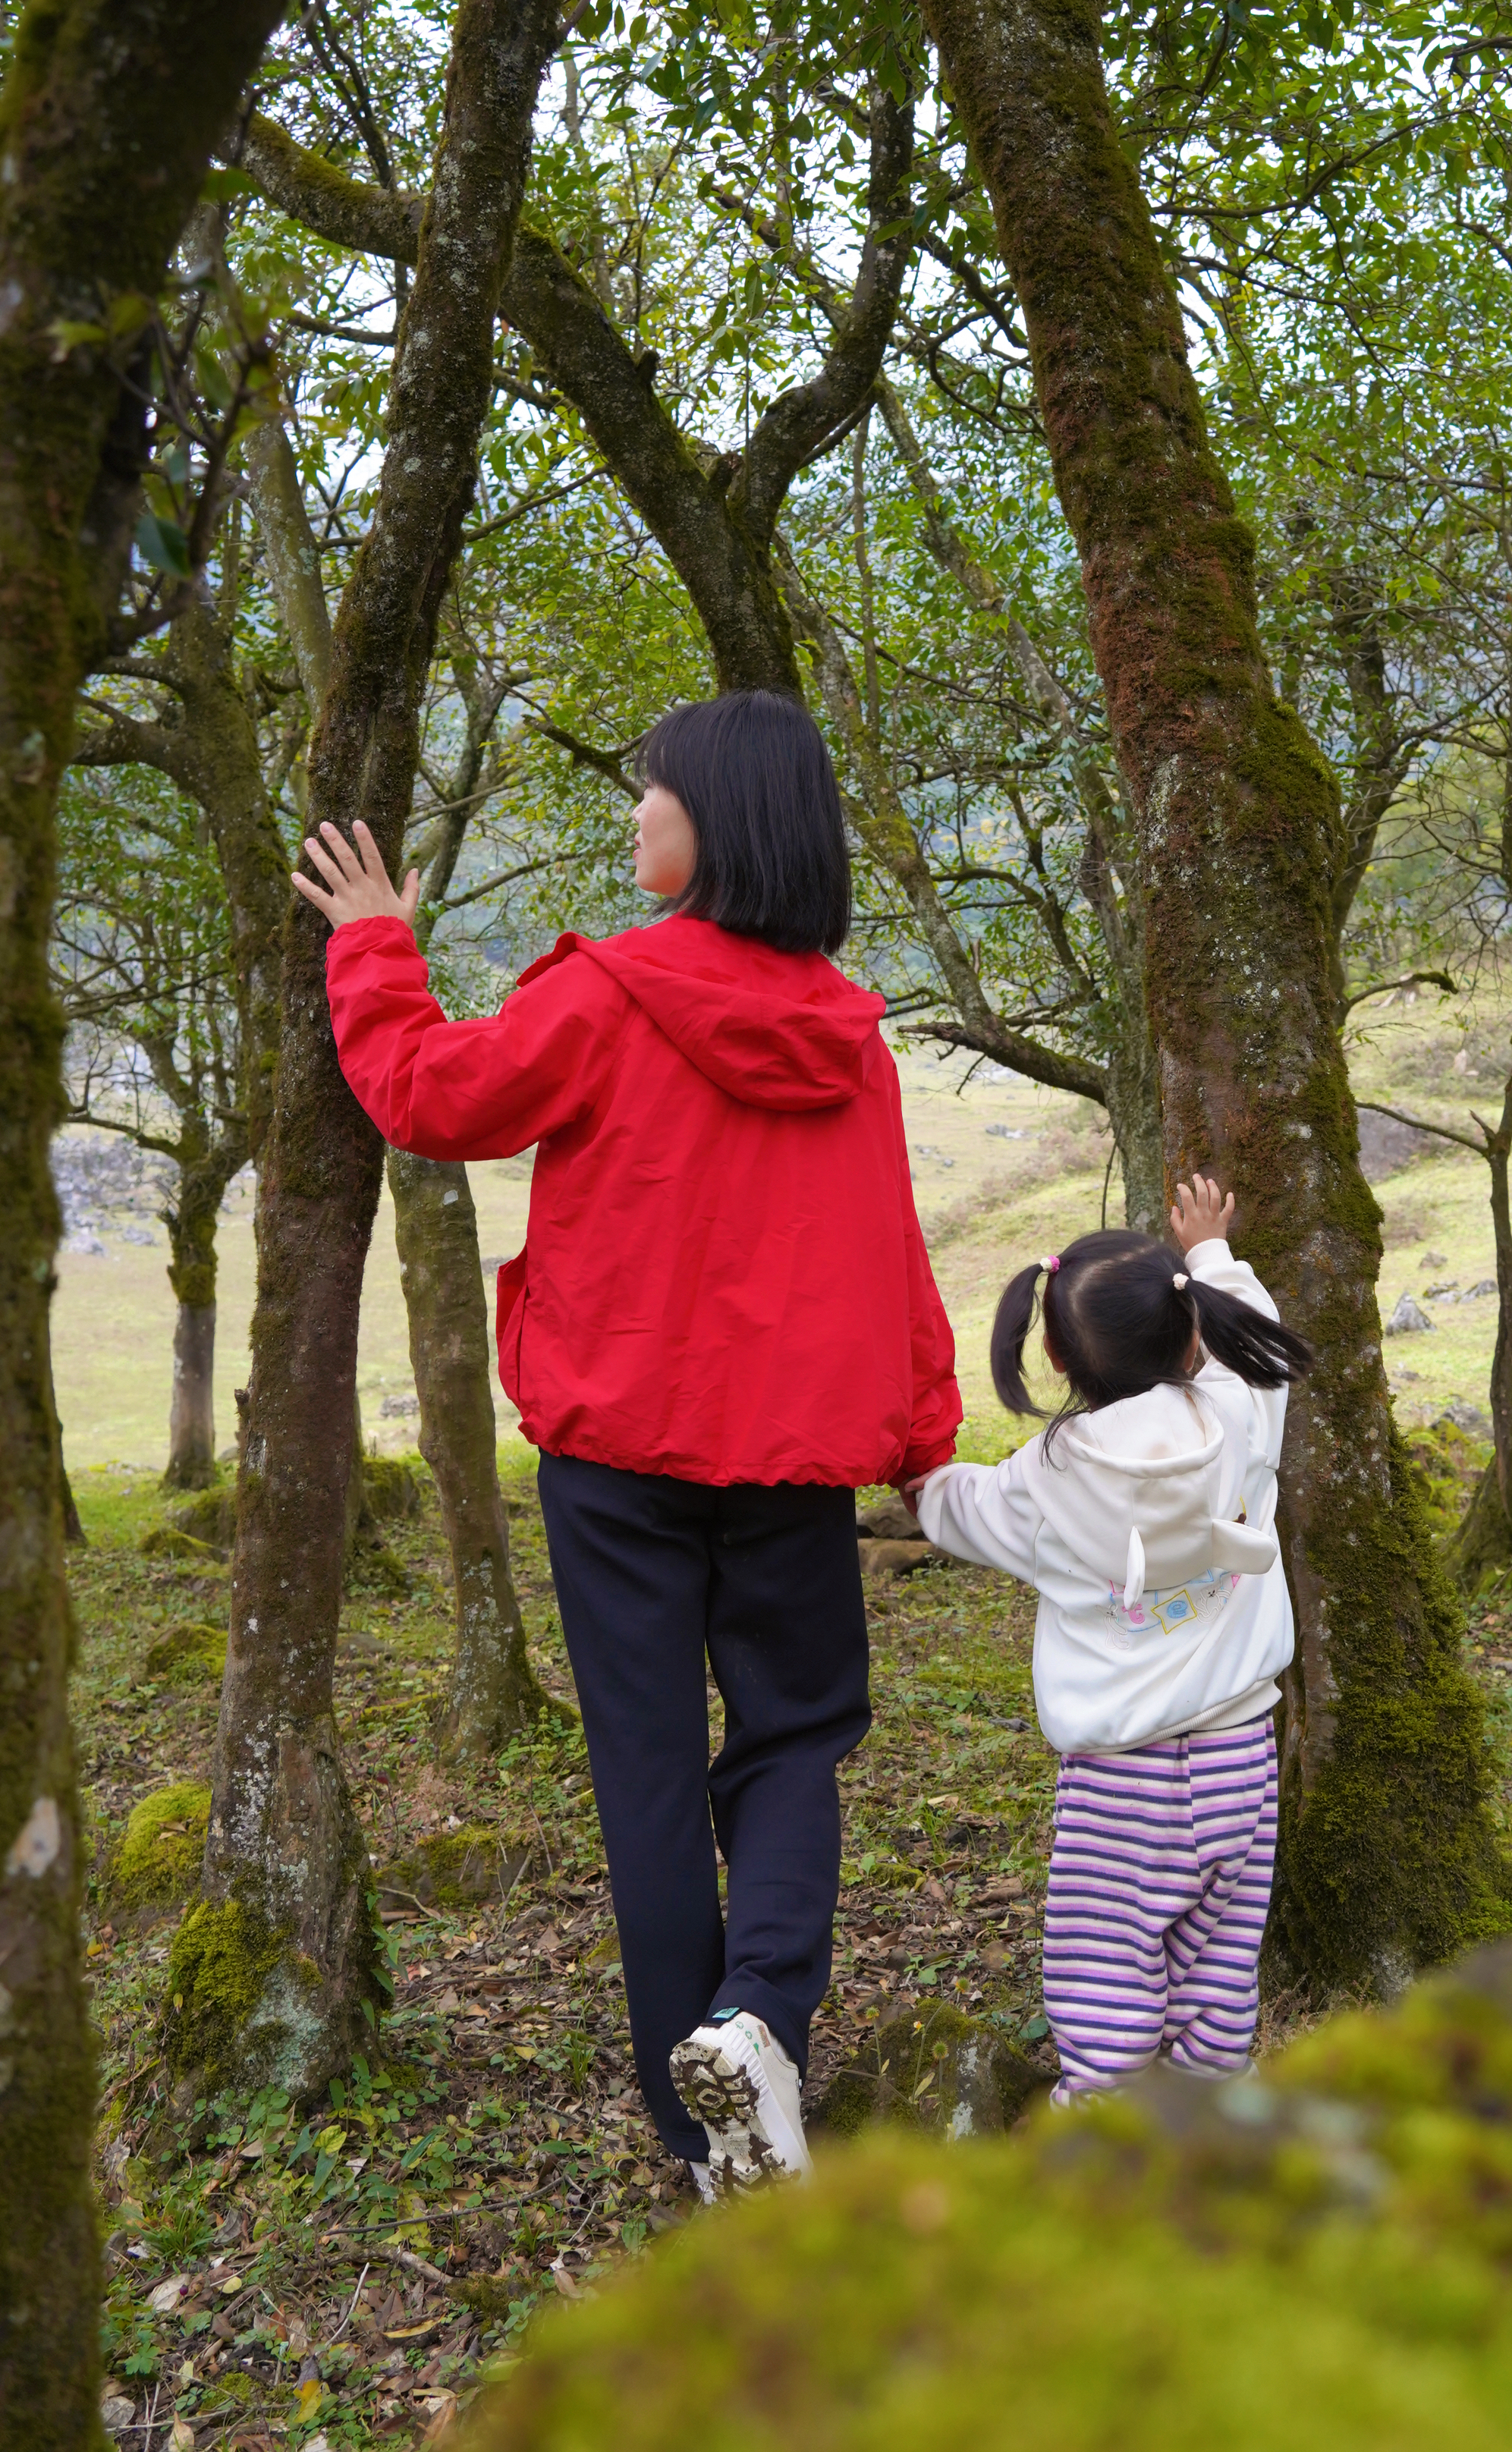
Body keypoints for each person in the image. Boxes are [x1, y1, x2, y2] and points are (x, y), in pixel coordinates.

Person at [294, 690, 960, 2196]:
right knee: (795, 1743)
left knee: (650, 1771)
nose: (633, 815)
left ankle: (697, 2121)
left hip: (617, 1458)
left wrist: (372, 937)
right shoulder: (852, 1036)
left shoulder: (607, 992)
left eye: (648, 792)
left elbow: (431, 1094)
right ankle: (761, 2019)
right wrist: (921, 1435)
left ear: (710, 818)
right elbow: (889, 1252)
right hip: (793, 1464)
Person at [910, 1177, 1311, 2100]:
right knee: (1217, 1967)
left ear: (1054, 1355)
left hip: (1119, 1782)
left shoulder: (1044, 1476)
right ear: (1193, 1327)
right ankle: (1210, 2121)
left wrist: (915, 1467)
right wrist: (1210, 1246)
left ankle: (1102, 2135)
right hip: (1239, 1760)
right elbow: (1254, 1324)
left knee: (1105, 1968)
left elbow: (950, 1506)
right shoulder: (1242, 1408)